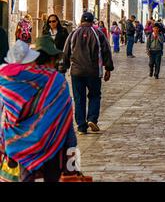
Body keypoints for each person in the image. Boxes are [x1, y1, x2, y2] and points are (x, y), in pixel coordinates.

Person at [0, 39, 77, 182]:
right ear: (52, 59)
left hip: (22, 145)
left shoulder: (13, 81)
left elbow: (7, 116)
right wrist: (72, 150)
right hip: (54, 142)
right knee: (52, 176)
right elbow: (67, 120)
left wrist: (5, 146)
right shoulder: (57, 81)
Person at [63, 12, 114, 135]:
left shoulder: (73, 34)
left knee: (79, 98)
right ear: (93, 22)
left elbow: (66, 52)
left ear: (81, 21)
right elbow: (106, 51)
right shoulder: (98, 33)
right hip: (93, 71)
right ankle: (92, 119)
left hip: (77, 71)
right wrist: (108, 68)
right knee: (94, 95)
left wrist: (64, 67)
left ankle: (81, 126)